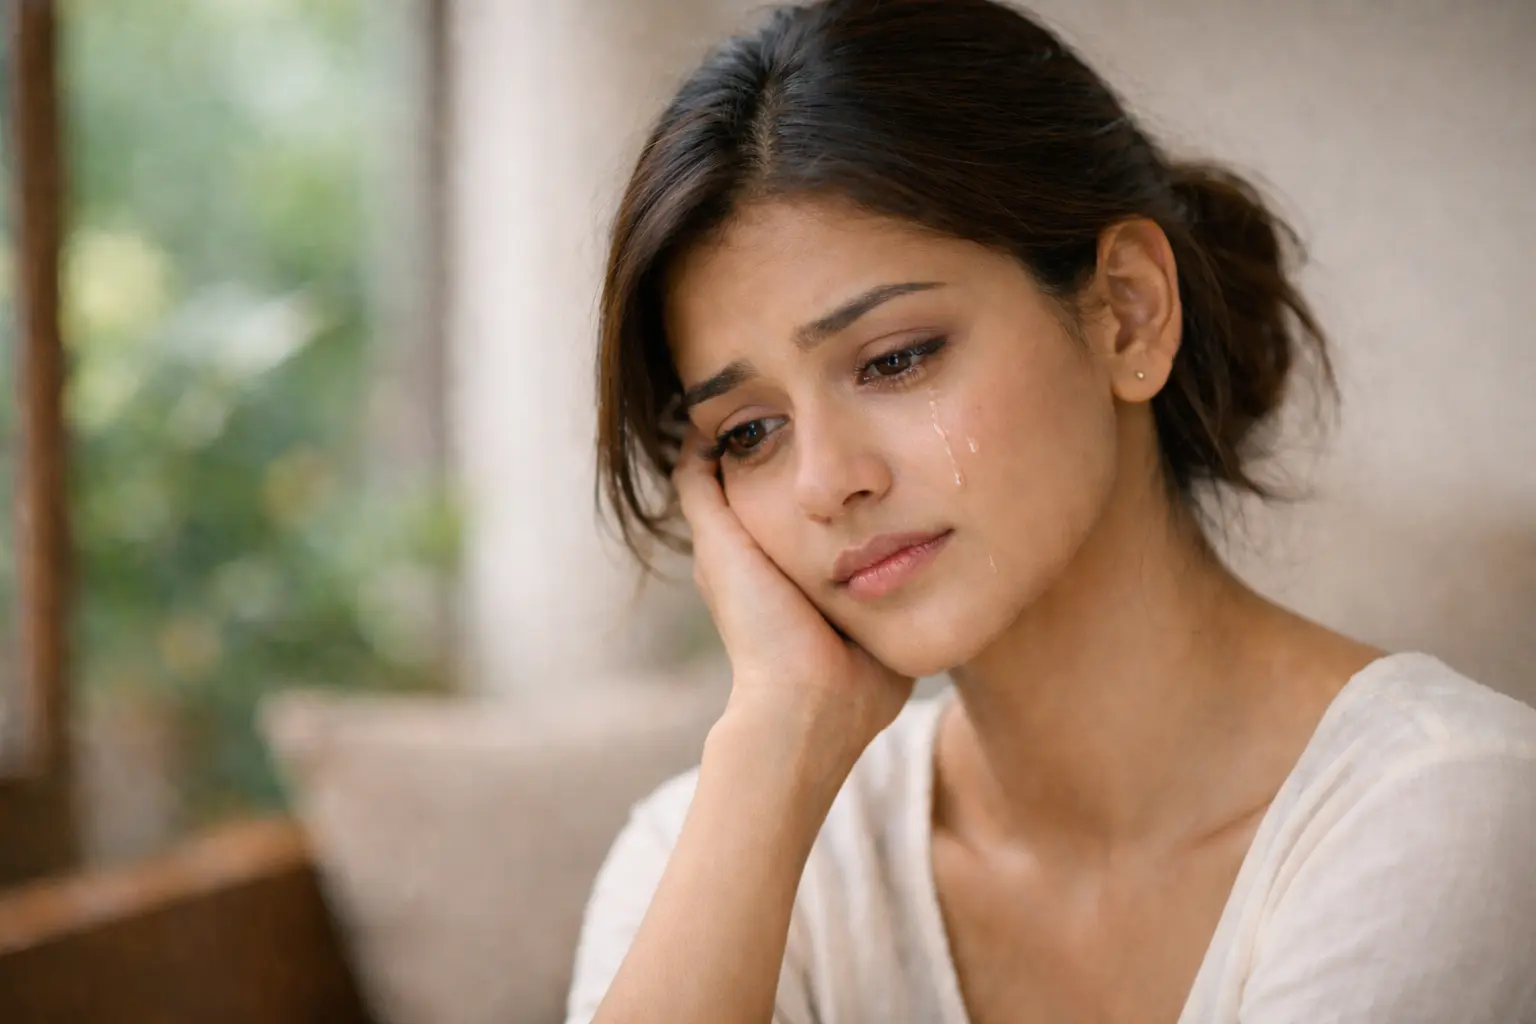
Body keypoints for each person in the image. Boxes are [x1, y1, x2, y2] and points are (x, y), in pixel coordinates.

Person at [567, 1, 1536, 1021]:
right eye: (749, 432)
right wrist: (774, 740)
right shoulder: (711, 857)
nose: (825, 482)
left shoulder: (1445, 813)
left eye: (896, 359)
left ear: (1126, 309)